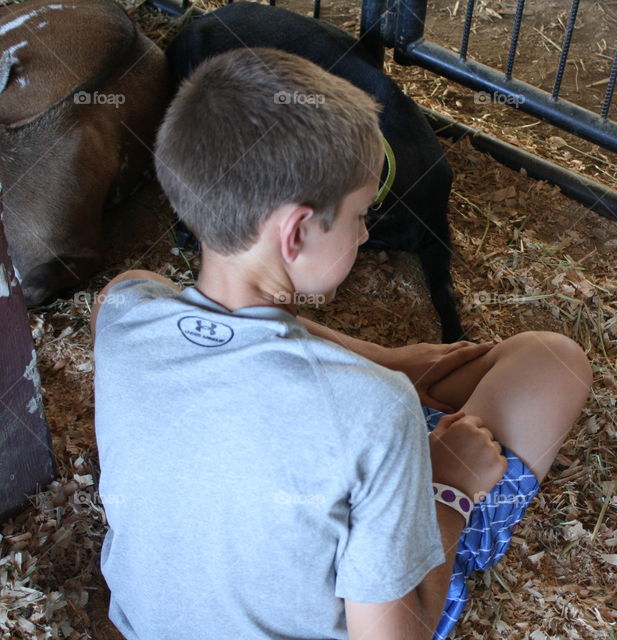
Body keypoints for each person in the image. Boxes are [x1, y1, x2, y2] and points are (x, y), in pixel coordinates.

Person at [92, 47, 591, 640]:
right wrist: (448, 488)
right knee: (556, 361)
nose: (364, 230)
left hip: (148, 626)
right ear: (297, 231)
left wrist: (384, 359)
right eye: (358, 214)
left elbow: (134, 284)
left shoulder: (122, 316)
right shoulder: (377, 410)